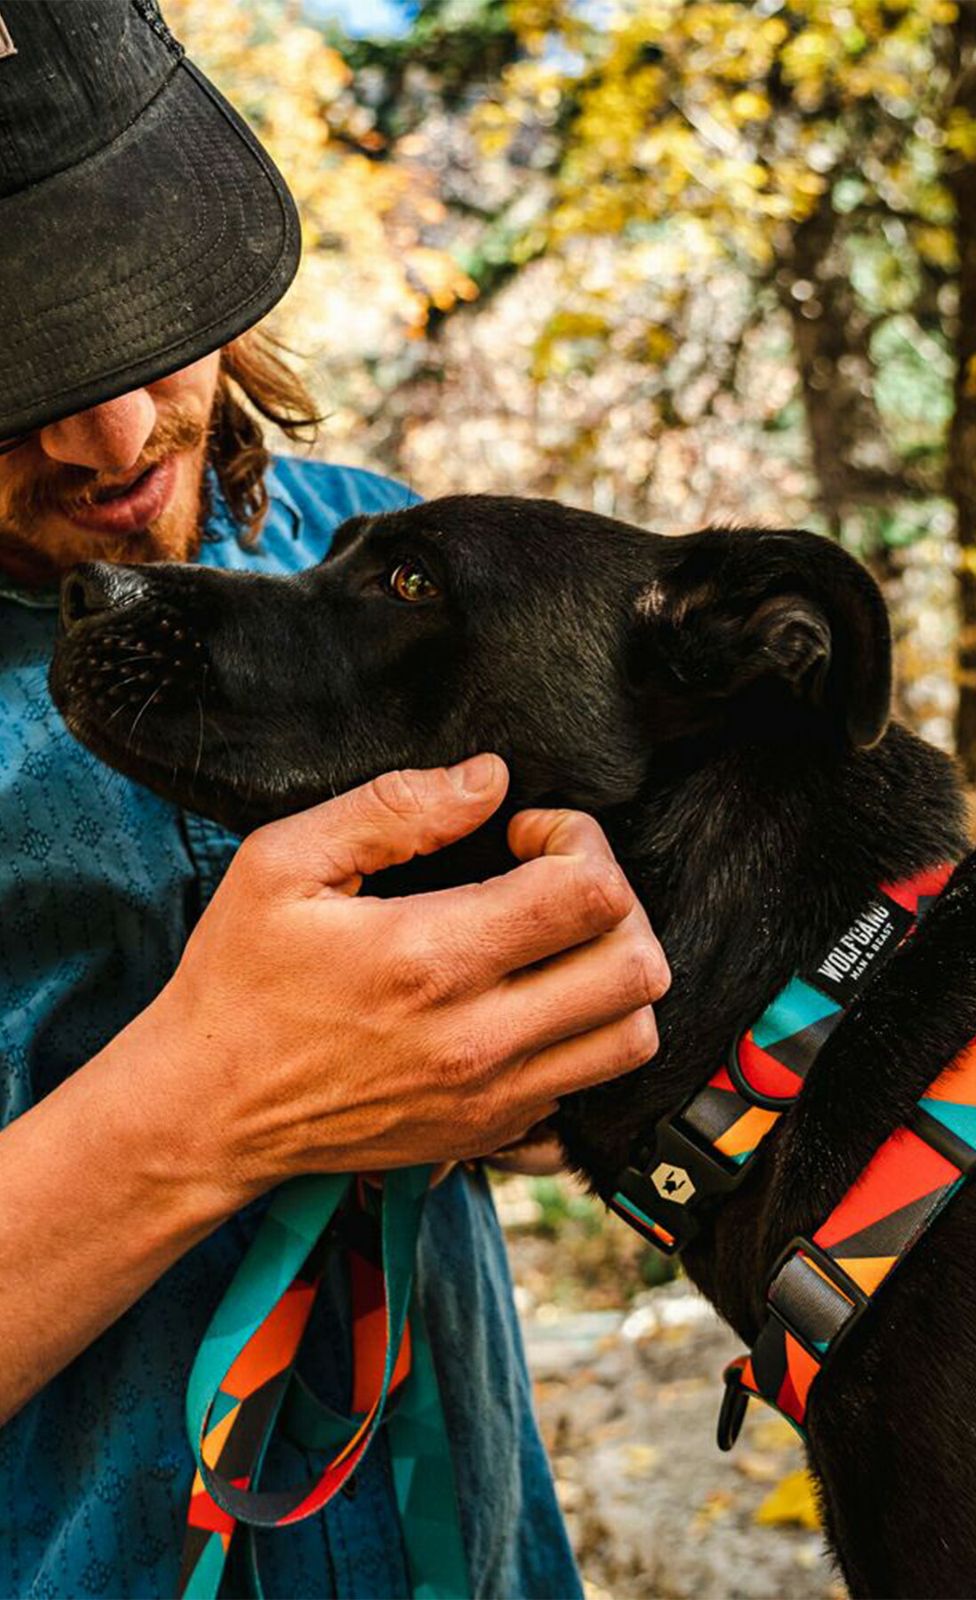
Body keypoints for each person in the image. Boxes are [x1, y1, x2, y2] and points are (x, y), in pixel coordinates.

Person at [0, 4, 668, 1596]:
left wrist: (529, 1054)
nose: (111, 437)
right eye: (11, 365)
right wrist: (207, 1104)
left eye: (130, 305)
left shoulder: (376, 556)